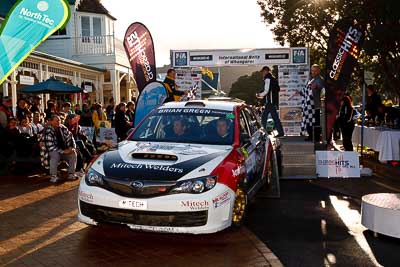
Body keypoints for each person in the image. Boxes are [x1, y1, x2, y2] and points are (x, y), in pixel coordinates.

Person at [43, 115, 77, 183]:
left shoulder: (63, 128)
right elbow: (50, 147)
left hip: (64, 150)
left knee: (73, 153)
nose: (58, 122)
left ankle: (71, 174)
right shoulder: (48, 130)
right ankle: (53, 176)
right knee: (55, 155)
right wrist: (63, 151)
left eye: (59, 120)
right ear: (51, 122)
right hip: (53, 151)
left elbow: (71, 137)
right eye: (56, 120)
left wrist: (72, 147)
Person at [256, 66, 284, 137]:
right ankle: (280, 132)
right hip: (272, 101)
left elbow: (266, 90)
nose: (262, 73)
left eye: (263, 71)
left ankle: (263, 132)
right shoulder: (273, 78)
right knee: (274, 117)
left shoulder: (268, 79)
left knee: (264, 117)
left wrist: (259, 94)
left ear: (266, 71)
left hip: (269, 101)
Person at [300, 64, 324, 141]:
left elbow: (321, 88)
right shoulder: (310, 79)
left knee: (315, 122)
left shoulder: (319, 79)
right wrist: (300, 92)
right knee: (309, 120)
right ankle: (310, 136)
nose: (313, 72)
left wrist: (316, 86)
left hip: (315, 105)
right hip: (308, 105)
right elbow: (306, 90)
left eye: (315, 71)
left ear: (318, 71)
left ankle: (316, 138)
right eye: (312, 70)